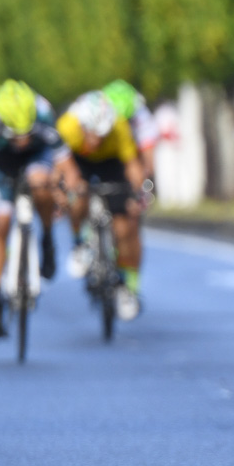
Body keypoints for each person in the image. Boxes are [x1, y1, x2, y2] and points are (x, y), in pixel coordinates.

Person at [0, 80, 74, 337]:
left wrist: (65, 191)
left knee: (41, 183)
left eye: (26, 134)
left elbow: (65, 164)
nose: (21, 140)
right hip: (3, 164)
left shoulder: (43, 113)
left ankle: (47, 238)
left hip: (37, 159)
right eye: (14, 135)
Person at [57, 90, 148, 319]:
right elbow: (58, 163)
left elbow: (132, 165)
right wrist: (65, 188)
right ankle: (79, 243)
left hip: (110, 164)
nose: (96, 140)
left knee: (124, 227)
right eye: (92, 134)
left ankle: (125, 284)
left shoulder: (118, 128)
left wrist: (139, 192)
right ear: (82, 126)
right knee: (77, 199)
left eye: (102, 135)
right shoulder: (68, 126)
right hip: (79, 160)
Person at [102, 80, 160, 182]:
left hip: (134, 139)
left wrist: (147, 175)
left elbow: (147, 146)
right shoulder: (102, 108)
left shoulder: (140, 113)